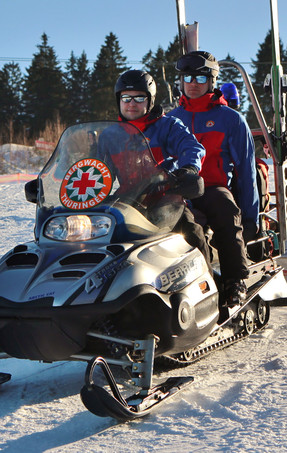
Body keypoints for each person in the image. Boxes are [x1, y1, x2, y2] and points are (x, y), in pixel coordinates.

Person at [166, 50, 260, 307]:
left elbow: (246, 172)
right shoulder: (171, 120)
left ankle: (234, 280)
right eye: (187, 78)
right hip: (180, 191)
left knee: (225, 209)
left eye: (199, 77)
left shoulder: (230, 120)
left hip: (212, 187)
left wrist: (251, 217)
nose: (193, 83)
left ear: (211, 81)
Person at [105, 69, 211, 266]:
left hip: (166, 199)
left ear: (150, 100)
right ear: (118, 100)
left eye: (139, 98)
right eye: (126, 98)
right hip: (126, 203)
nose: (131, 104)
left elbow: (192, 147)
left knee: (191, 234)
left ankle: (208, 286)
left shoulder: (167, 125)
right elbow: (94, 167)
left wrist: (188, 170)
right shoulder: (109, 135)